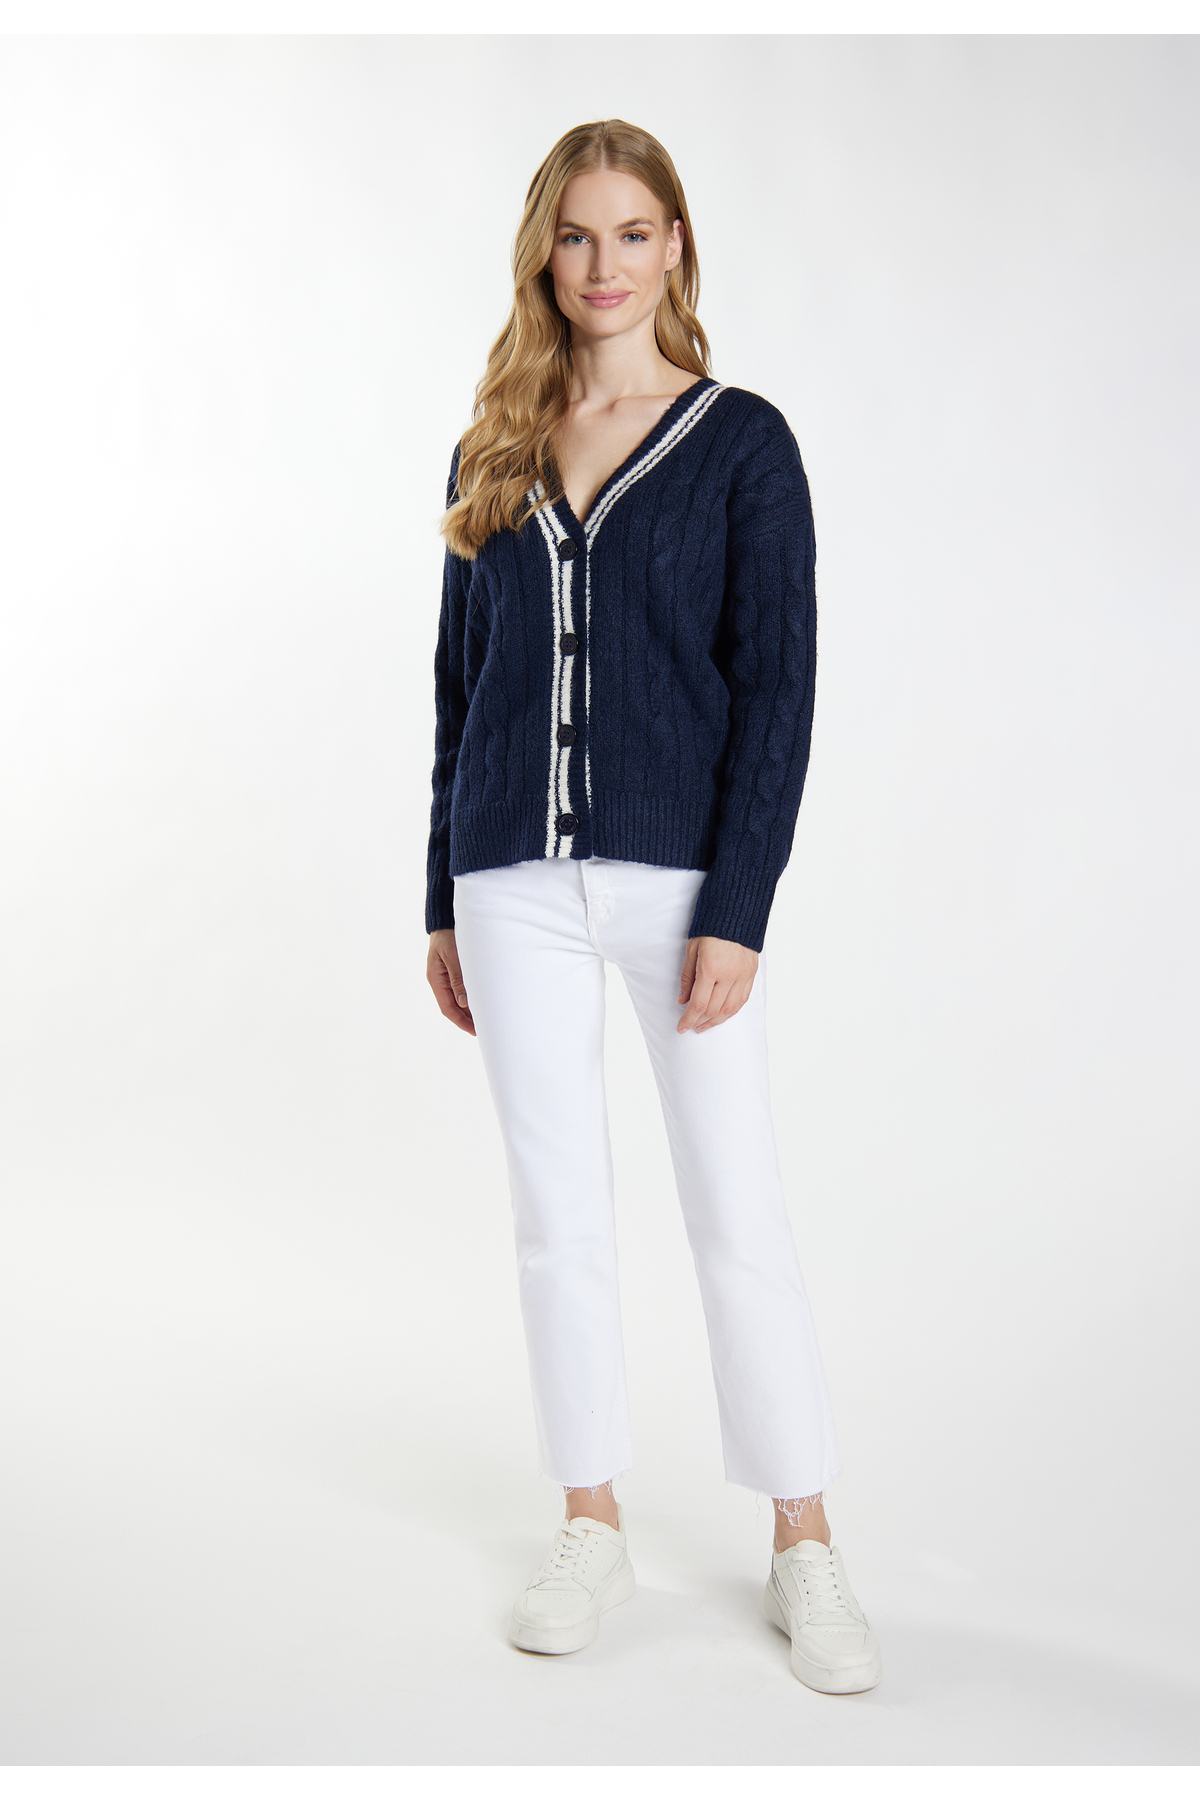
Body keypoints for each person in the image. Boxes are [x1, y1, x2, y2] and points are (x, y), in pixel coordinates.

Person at [424, 119, 881, 1696]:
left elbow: (780, 688)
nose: (604, 264)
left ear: (676, 243)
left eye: (632, 232)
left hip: (681, 884)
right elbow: (461, 690)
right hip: (510, 885)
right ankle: (591, 1519)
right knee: (557, 1216)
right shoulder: (494, 444)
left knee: (734, 1205)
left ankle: (804, 1537)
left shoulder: (742, 443)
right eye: (577, 235)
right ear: (543, 254)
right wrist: (441, 895)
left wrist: (739, 905)